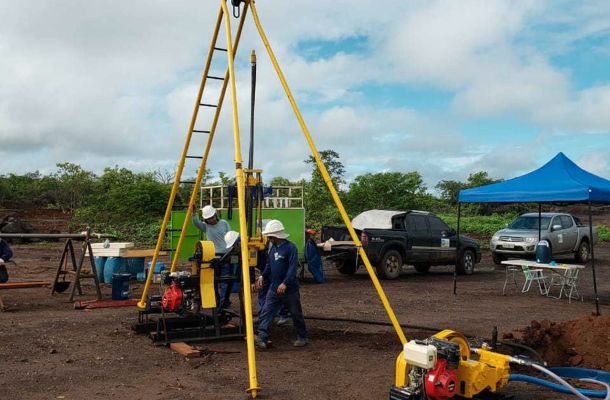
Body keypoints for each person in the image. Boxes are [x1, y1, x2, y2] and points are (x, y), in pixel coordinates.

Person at [254, 220, 308, 349]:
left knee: (295, 313)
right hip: (274, 288)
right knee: (267, 311)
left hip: (289, 289)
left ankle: (302, 336)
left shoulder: (291, 248)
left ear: (277, 236)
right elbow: (269, 265)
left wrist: (285, 283)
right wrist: (263, 275)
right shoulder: (273, 249)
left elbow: (292, 268)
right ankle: (262, 337)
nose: (269, 239)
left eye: (271, 237)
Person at [191, 204, 231, 310]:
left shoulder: (224, 223)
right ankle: (218, 302)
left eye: (212, 217)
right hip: (212, 257)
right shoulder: (206, 226)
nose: (211, 220)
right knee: (213, 281)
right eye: (208, 219)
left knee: (225, 281)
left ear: (215, 215)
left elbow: (230, 236)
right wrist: (193, 213)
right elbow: (196, 223)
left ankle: (223, 303)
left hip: (226, 256)